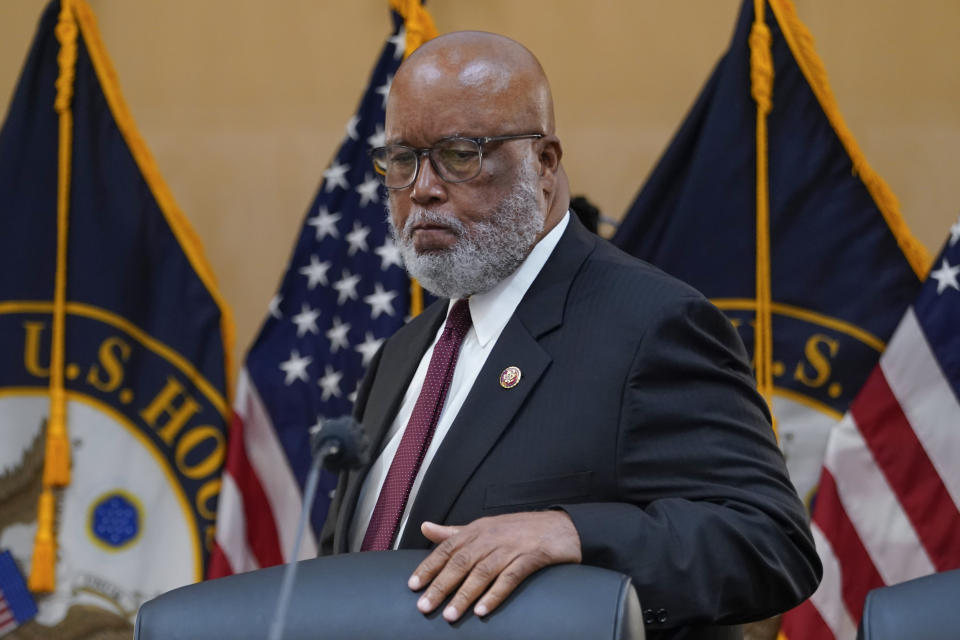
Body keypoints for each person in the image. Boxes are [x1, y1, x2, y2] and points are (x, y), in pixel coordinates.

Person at [320, 31, 821, 639]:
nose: (422, 187)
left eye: (459, 154)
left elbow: (770, 540)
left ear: (545, 164)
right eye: (403, 159)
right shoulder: (402, 354)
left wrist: (574, 532)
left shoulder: (650, 325)